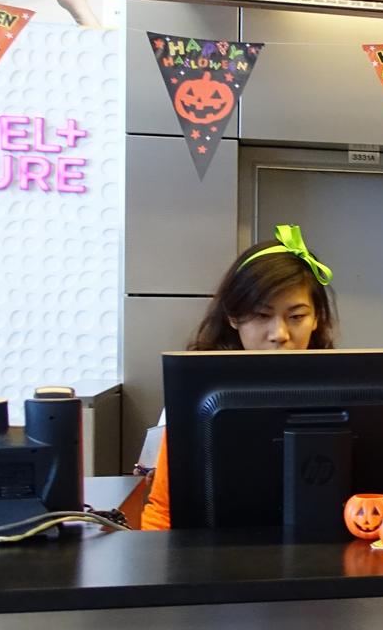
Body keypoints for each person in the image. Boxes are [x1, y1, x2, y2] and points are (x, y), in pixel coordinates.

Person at [140, 224, 337, 530]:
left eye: (297, 316)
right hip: (211, 556)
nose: (280, 334)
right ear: (233, 317)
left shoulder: (342, 388)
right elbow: (163, 512)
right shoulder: (197, 396)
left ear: (317, 319)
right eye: (261, 315)